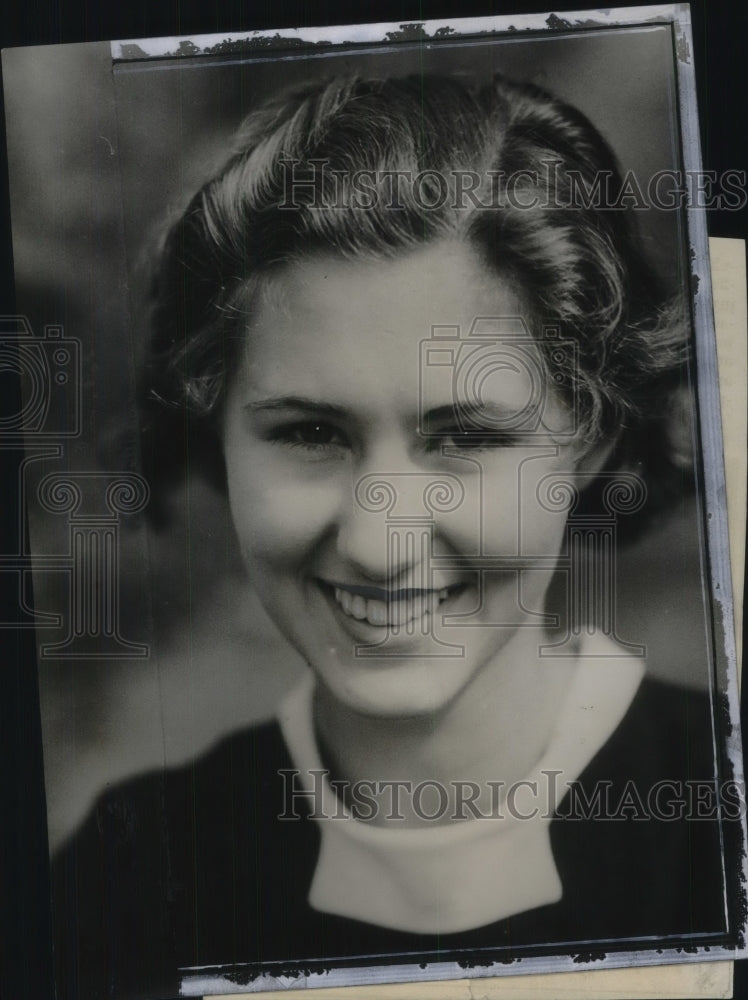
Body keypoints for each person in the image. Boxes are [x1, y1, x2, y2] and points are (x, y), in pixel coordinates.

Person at [50, 73, 728, 1000]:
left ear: (594, 439)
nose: (378, 540)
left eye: (466, 438)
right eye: (309, 433)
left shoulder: (716, 826)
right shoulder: (129, 878)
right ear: (217, 435)